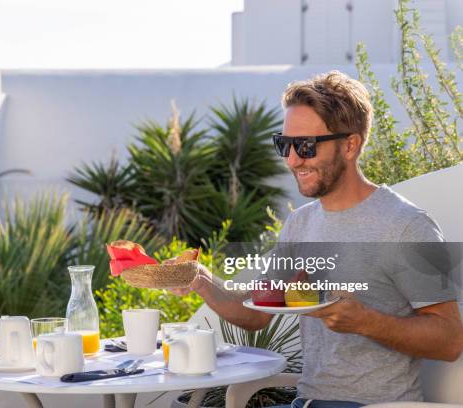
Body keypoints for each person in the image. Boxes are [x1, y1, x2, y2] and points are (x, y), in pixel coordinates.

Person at [171, 71, 463, 407]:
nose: (293, 160)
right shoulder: (301, 223)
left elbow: (450, 340)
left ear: (350, 145)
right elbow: (258, 313)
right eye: (285, 144)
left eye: (306, 146)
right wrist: (203, 282)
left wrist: (367, 322)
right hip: (305, 402)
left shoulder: (408, 227)